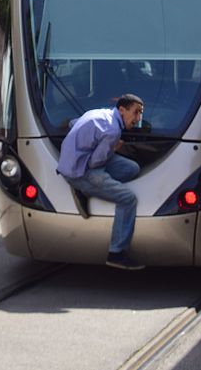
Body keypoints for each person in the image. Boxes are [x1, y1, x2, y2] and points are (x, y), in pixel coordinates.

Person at [57, 94, 145, 270]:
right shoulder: (113, 131)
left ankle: (88, 189)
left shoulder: (100, 113)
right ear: (122, 110)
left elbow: (73, 124)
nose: (138, 118)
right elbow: (95, 163)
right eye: (136, 112)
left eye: (140, 113)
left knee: (132, 168)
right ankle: (116, 253)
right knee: (128, 199)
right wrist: (114, 147)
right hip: (81, 171)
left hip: (76, 161)